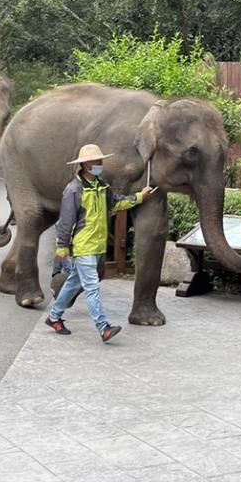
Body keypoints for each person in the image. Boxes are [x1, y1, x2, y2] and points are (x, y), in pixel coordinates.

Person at [45, 144, 154, 342]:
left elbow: (117, 202)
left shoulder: (102, 186)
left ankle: (54, 317)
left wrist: (140, 196)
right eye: (96, 161)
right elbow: (65, 221)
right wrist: (62, 247)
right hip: (84, 246)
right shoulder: (74, 189)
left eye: (100, 160)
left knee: (72, 283)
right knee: (92, 287)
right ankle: (103, 327)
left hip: (97, 246)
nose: (100, 164)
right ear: (86, 164)